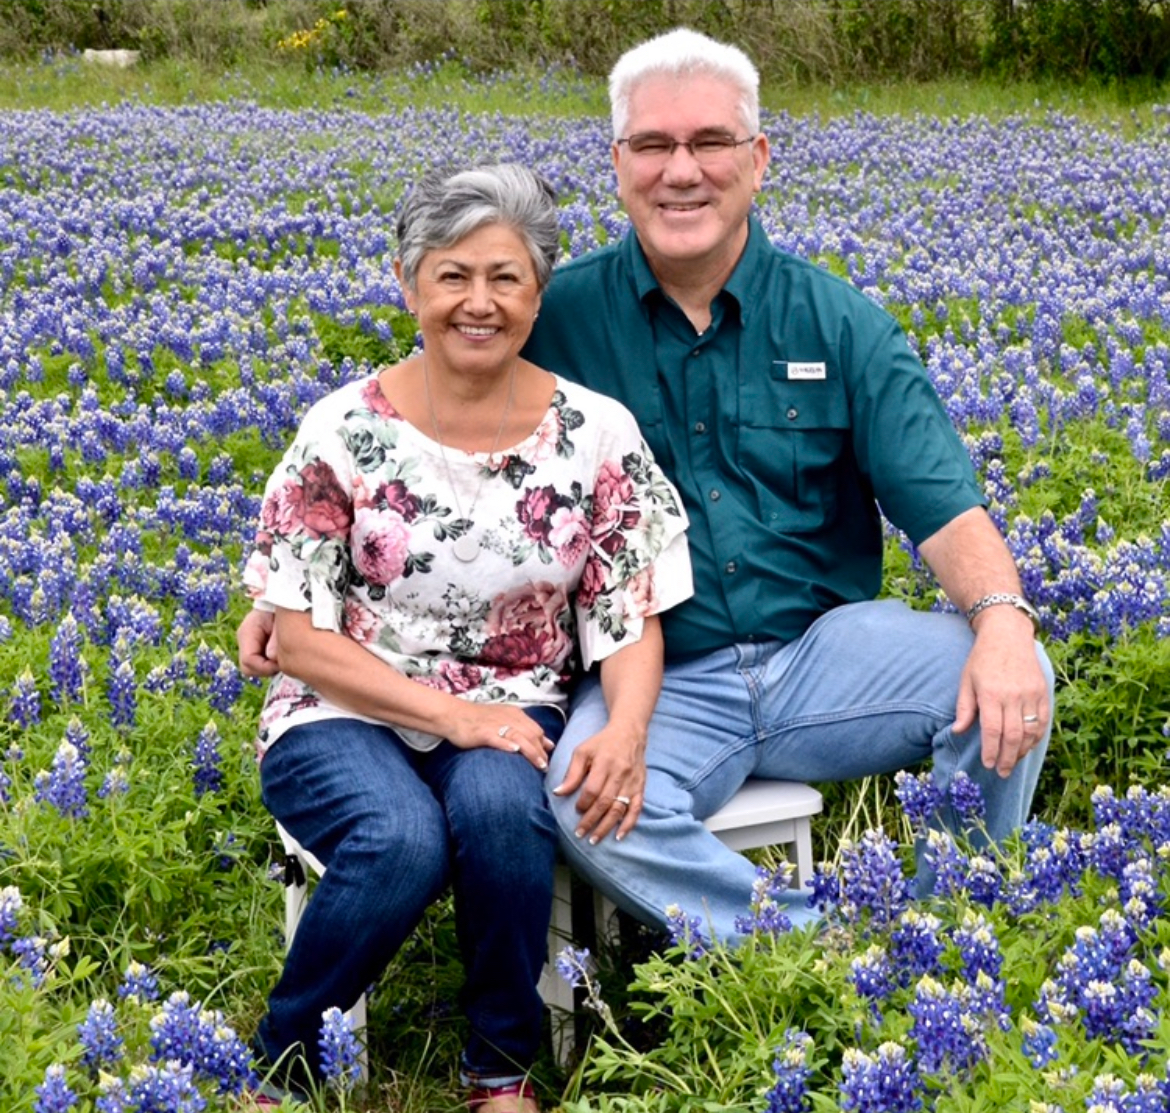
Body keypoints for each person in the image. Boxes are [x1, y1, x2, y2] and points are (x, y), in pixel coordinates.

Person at [241, 28, 1054, 946]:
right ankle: (824, 947)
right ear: (618, 162)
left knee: (1009, 671)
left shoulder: (839, 321)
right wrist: (301, 592)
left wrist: (1002, 617)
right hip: (658, 677)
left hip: (823, 660)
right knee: (577, 794)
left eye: (710, 142)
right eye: (654, 146)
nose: (683, 171)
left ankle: (956, 915)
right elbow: (417, 428)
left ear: (758, 158)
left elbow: (944, 507)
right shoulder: (550, 312)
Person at [241, 163, 691, 1113]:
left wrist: (624, 728)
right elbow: (301, 637)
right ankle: (283, 1055)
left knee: (496, 813)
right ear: (408, 284)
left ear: (539, 291)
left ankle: (501, 1065)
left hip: (516, 705)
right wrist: (451, 717)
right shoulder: (341, 427)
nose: (477, 302)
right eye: (451, 276)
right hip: (337, 704)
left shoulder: (596, 433)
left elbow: (629, 614)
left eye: (506, 277)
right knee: (399, 837)